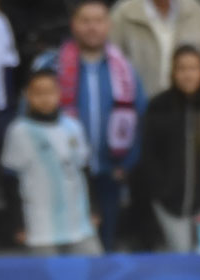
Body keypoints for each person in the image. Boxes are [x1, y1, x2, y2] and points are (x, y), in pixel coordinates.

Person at [33, 0, 147, 251]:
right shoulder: (52, 65)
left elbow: (141, 119)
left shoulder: (124, 68)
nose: (92, 28)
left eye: (98, 21)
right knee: (65, 246)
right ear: (74, 25)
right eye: (85, 21)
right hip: (62, 174)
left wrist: (126, 164)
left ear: (108, 25)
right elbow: (29, 116)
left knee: (106, 243)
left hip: (109, 172)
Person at [138, 45, 200, 254]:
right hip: (170, 204)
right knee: (180, 261)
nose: (187, 75)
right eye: (182, 69)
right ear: (173, 72)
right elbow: (150, 154)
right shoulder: (159, 106)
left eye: (193, 68)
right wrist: (160, 191)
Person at [1, 68, 102, 257]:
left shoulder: (73, 127)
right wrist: (18, 224)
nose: (45, 98)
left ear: (59, 93)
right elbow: (10, 181)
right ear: (27, 95)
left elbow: (85, 171)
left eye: (50, 92)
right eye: (38, 93)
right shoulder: (19, 132)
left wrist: (93, 209)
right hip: (40, 226)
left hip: (78, 222)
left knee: (95, 274)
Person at [109, 0, 200, 98]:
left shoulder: (198, 13)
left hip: (191, 108)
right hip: (138, 108)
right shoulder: (124, 14)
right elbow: (111, 62)